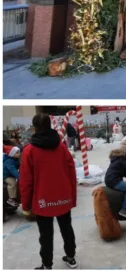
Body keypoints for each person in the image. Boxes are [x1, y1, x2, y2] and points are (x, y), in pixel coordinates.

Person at [20, 114, 78, 270]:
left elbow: (26, 181)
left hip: (42, 200)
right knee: (67, 229)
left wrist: (26, 204)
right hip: (63, 197)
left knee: (45, 235)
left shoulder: (29, 151)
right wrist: (72, 196)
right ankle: (71, 257)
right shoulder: (61, 147)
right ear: (50, 125)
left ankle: (47, 264)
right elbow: (72, 173)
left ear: (34, 127)